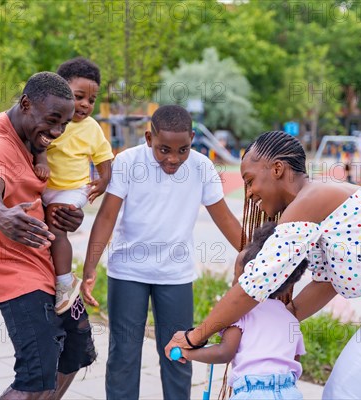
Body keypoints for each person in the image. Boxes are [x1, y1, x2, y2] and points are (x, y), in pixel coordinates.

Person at [166, 131, 361, 399]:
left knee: (341, 394)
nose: (249, 193)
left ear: (278, 169)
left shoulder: (309, 201)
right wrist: (276, 319)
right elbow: (326, 284)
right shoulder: (321, 207)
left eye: (250, 181)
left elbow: (253, 285)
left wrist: (195, 335)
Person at [81, 104, 242, 400]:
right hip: (128, 272)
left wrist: (255, 256)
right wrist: (89, 268)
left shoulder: (202, 166)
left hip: (175, 275)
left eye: (183, 150)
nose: (173, 158)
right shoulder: (128, 162)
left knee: (178, 354)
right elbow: (106, 217)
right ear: (148, 138)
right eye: (164, 149)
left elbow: (225, 220)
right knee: (124, 356)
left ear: (193, 138)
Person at [0, 72, 97, 400]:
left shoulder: (30, 138)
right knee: (36, 375)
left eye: (64, 124)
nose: (56, 132)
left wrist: (66, 215)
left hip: (49, 268)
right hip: (16, 275)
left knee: (78, 351)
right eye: (52, 120)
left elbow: (36, 197)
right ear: (26, 104)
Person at [177, 221, 307, 400]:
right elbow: (295, 358)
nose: (233, 284)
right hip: (289, 391)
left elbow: (225, 352)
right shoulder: (289, 317)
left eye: (237, 279)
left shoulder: (240, 313)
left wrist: (187, 353)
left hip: (252, 392)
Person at [32, 57, 114, 314]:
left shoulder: (91, 128)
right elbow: (38, 141)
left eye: (91, 100)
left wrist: (103, 181)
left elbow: (104, 158)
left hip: (73, 188)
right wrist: (43, 158)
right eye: (79, 97)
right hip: (44, 187)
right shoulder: (52, 119)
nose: (86, 104)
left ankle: (65, 282)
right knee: (38, 228)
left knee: (56, 226)